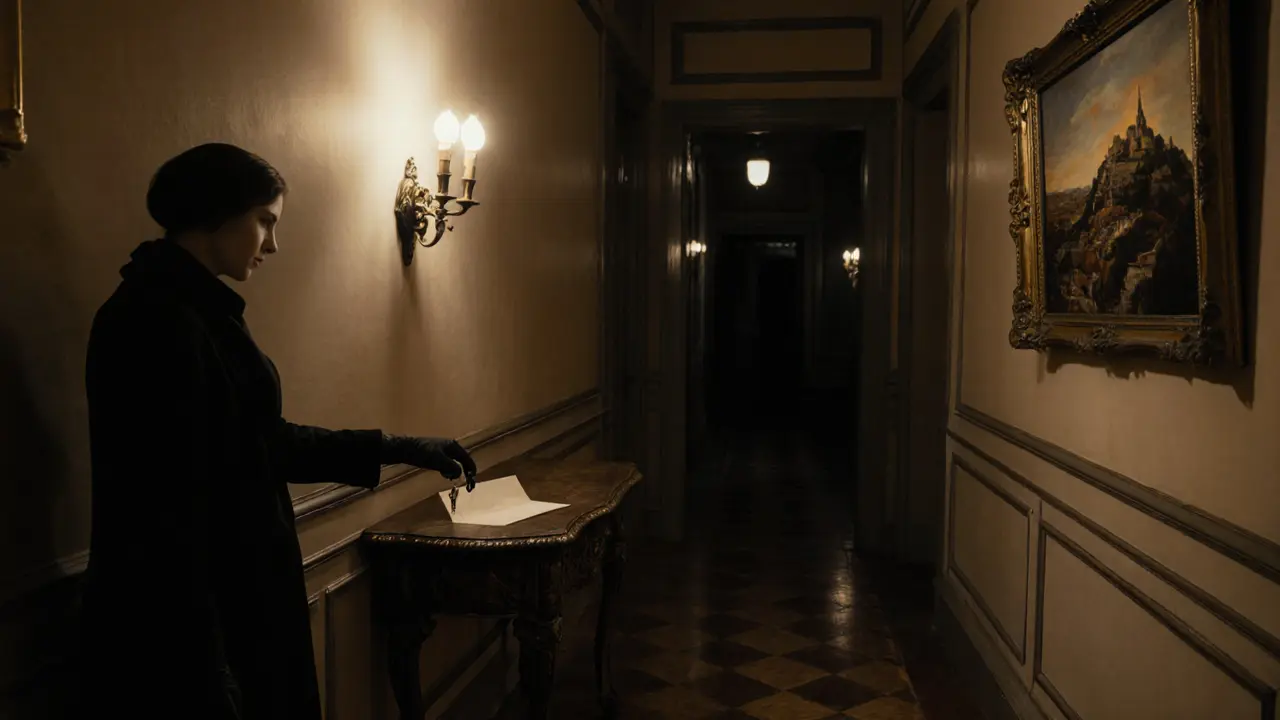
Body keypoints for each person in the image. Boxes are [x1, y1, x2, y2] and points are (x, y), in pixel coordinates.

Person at [77, 143, 476, 719]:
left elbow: (258, 441)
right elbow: (167, 507)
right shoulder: (155, 319)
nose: (273, 244)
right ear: (218, 212)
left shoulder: (190, 310)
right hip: (192, 619)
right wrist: (209, 663)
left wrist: (405, 447)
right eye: (265, 221)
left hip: (225, 604)